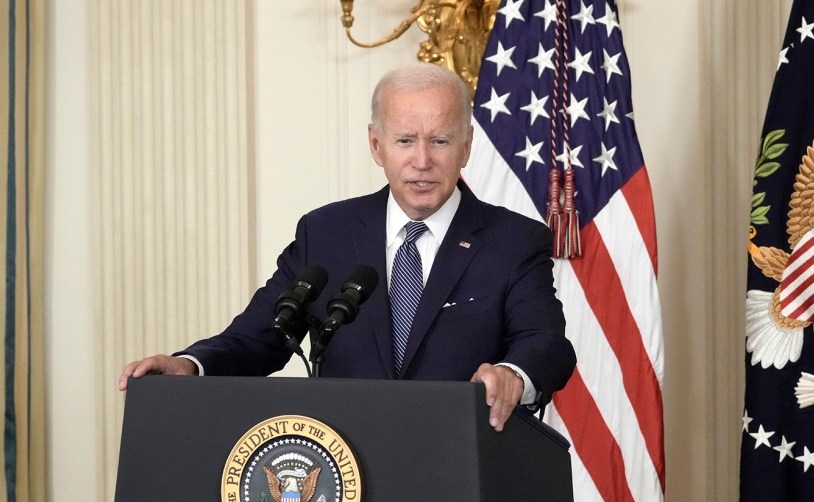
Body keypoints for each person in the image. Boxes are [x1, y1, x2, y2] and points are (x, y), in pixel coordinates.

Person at [119, 63, 576, 431]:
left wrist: (513, 375)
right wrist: (189, 364)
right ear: (377, 146)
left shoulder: (514, 240)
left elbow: (546, 343)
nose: (422, 161)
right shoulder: (326, 232)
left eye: (439, 140)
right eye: (404, 141)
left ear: (466, 146)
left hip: (463, 467)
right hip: (345, 477)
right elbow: (260, 335)